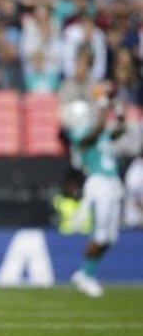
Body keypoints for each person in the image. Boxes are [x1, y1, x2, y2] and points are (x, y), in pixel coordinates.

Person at [68, 95, 127, 298]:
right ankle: (85, 274)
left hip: (112, 184)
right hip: (98, 184)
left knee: (110, 238)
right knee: (99, 235)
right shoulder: (81, 133)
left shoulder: (101, 132)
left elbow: (120, 129)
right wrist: (104, 107)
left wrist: (118, 110)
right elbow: (96, 132)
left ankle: (86, 273)